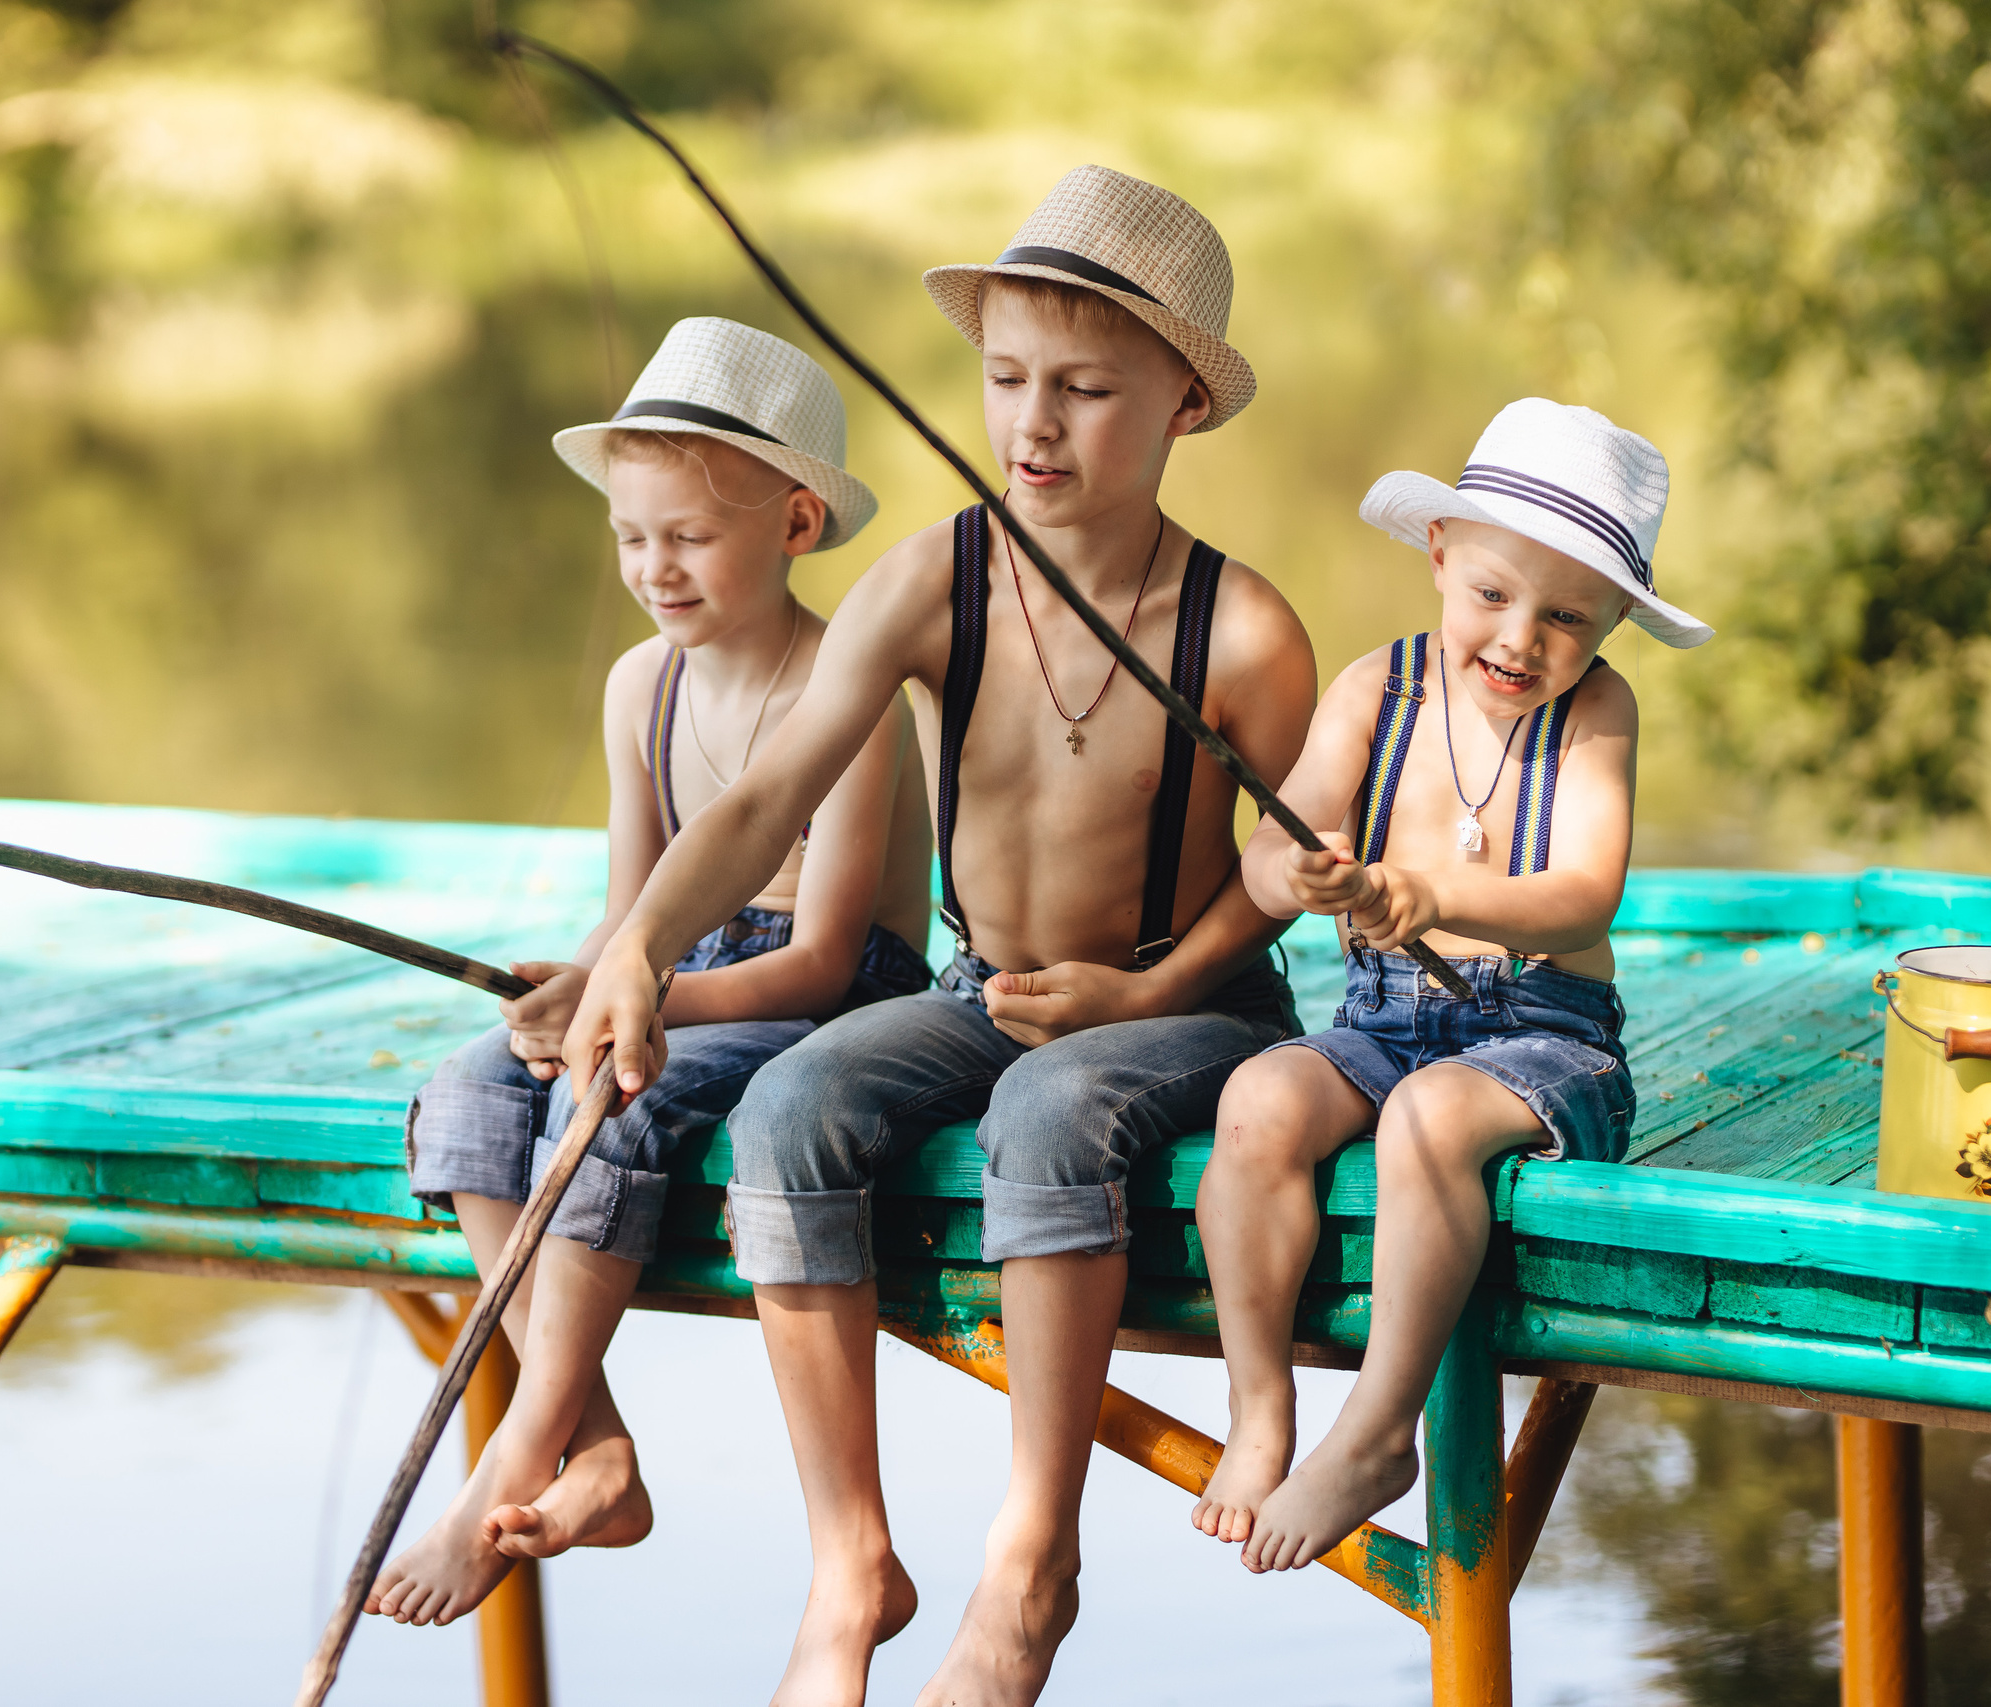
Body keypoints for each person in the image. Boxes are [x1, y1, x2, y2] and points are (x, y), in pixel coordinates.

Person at [562, 166, 1317, 1706]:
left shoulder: (1241, 630)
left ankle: (1034, 1555)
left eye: (1084, 389)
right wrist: (640, 942)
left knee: (1051, 1107)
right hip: (992, 985)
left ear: (1184, 403)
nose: (1033, 423)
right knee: (791, 1106)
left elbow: (1295, 866)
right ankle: (851, 1556)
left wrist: (1151, 990)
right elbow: (766, 790)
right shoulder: (933, 580)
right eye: (1007, 378)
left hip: (1192, 1001)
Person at [369, 317, 937, 1628]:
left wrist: (640, 1002)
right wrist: (573, 987)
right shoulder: (642, 686)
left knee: (615, 1090)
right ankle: (597, 1446)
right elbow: (634, 912)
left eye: (685, 535)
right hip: (673, 976)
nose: (651, 566)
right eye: (631, 536)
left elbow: (825, 961)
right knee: (472, 1090)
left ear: (796, 523)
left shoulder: (848, 688)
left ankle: (516, 1449)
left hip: (826, 997)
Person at [1187, 398, 1713, 1572]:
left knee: (1428, 1120)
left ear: (1612, 621)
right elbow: (1268, 854)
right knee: (1257, 1103)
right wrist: (1299, 872)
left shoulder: (1597, 711)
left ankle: (1378, 1432)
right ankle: (1259, 1404)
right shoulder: (1375, 690)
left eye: (1566, 616)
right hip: (1380, 1019)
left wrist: (1435, 893)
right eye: (1492, 594)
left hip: (1542, 1035)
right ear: (1438, 554)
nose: (1520, 640)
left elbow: (1582, 896)